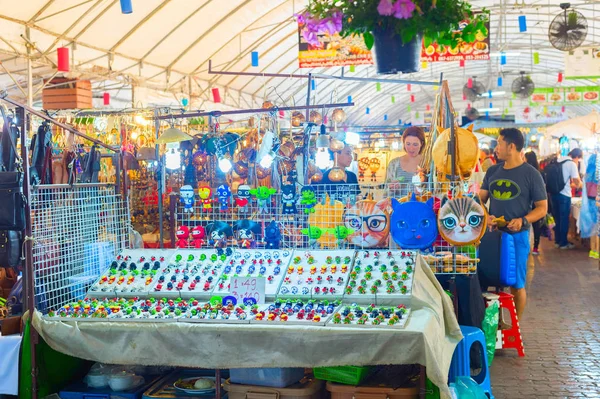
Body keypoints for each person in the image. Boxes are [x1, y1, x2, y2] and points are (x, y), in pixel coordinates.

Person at [480, 128, 548, 320]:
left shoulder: (531, 174)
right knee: (488, 279)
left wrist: (523, 220)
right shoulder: (493, 170)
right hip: (492, 237)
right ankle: (493, 324)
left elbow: (542, 208)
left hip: (518, 237)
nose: (496, 147)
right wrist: (487, 216)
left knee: (517, 284)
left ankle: (515, 326)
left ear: (511, 146)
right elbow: (480, 200)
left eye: (499, 143)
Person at [551, 148, 583, 250]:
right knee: (564, 219)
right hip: (564, 195)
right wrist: (583, 185)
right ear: (577, 157)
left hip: (553, 193)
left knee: (557, 219)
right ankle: (563, 243)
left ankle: (557, 241)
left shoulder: (557, 161)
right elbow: (577, 181)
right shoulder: (571, 164)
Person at [386, 127, 425, 196]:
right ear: (403, 142)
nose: (411, 148)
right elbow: (386, 193)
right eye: (408, 144)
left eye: (415, 144)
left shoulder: (427, 164)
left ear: (421, 143)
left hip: (421, 206)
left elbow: (435, 190)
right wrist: (392, 189)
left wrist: (424, 190)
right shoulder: (393, 164)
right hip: (399, 206)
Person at [525, 151, 545, 255]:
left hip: (527, 202)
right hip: (537, 201)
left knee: (526, 224)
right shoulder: (539, 172)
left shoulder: (525, 172)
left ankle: (527, 245)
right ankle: (535, 247)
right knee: (536, 226)